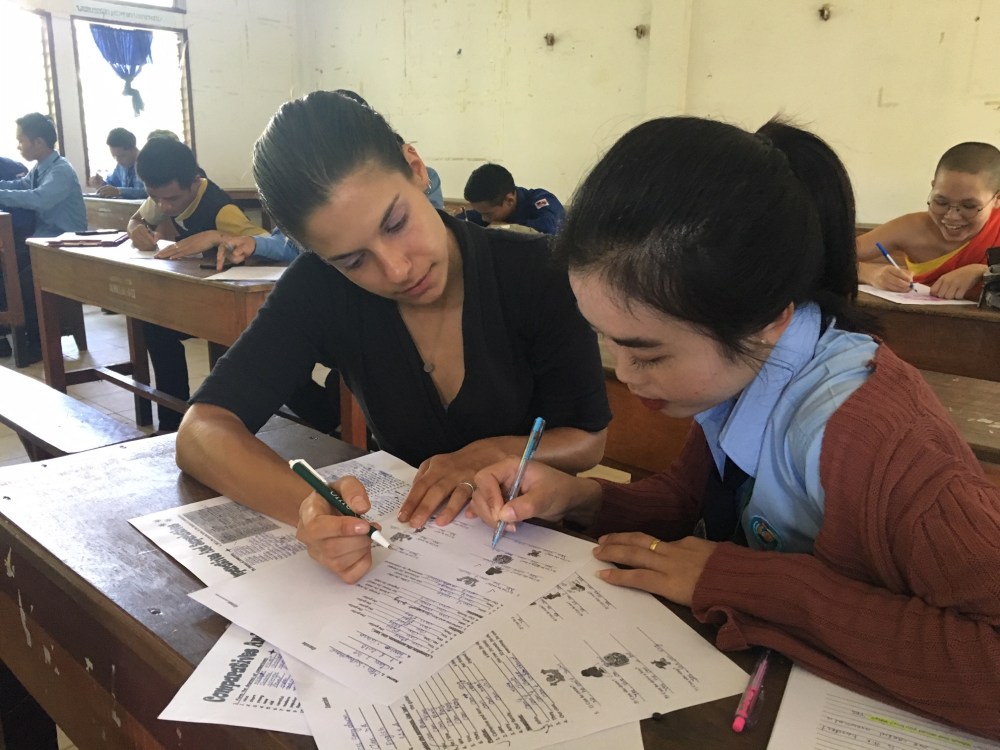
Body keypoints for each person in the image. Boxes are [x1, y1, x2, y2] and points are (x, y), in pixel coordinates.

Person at [465, 116, 1000, 740]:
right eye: (608, 343)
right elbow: (697, 504)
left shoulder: (877, 437)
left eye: (649, 353)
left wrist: (737, 582)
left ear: (769, 321)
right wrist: (579, 495)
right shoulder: (745, 370)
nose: (628, 376)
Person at [175, 90, 611, 584]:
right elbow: (201, 430)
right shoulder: (320, 287)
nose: (398, 269)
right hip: (407, 565)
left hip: (532, 553)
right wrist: (308, 507)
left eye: (397, 223)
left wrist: (487, 453)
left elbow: (587, 440)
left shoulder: (538, 271)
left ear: (415, 166)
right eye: (353, 260)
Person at [127, 138, 299, 431]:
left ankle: (324, 416)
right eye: (156, 197)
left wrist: (219, 236)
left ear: (194, 182)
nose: (163, 206)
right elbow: (140, 216)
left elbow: (271, 247)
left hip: (233, 302)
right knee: (154, 324)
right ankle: (171, 421)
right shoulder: (166, 193)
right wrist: (135, 228)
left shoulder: (221, 211)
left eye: (171, 199)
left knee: (264, 354)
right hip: (196, 295)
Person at [857, 141, 1000, 300]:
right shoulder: (910, 228)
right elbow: (831, 256)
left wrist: (983, 271)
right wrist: (869, 273)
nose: (951, 216)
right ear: (933, 187)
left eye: (968, 206)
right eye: (941, 202)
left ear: (997, 198)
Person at [0, 113, 87, 364]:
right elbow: (22, 187)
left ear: (38, 142)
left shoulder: (61, 170)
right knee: (9, 272)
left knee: (25, 283)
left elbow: (38, 198)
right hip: (45, 242)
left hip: (66, 244)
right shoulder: (40, 167)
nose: (18, 146)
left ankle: (40, 342)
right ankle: (21, 335)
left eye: (21, 140)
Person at [462, 163, 565, 234]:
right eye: (480, 213)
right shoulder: (489, 207)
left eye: (487, 214)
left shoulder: (541, 201)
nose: (483, 218)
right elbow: (461, 220)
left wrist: (502, 228)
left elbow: (553, 229)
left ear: (509, 200)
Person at [88, 127, 147, 199]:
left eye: (122, 156)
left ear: (133, 149)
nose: (118, 160)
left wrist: (120, 191)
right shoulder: (120, 166)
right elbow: (113, 186)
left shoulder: (147, 162)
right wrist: (101, 185)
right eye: (115, 157)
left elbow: (148, 192)